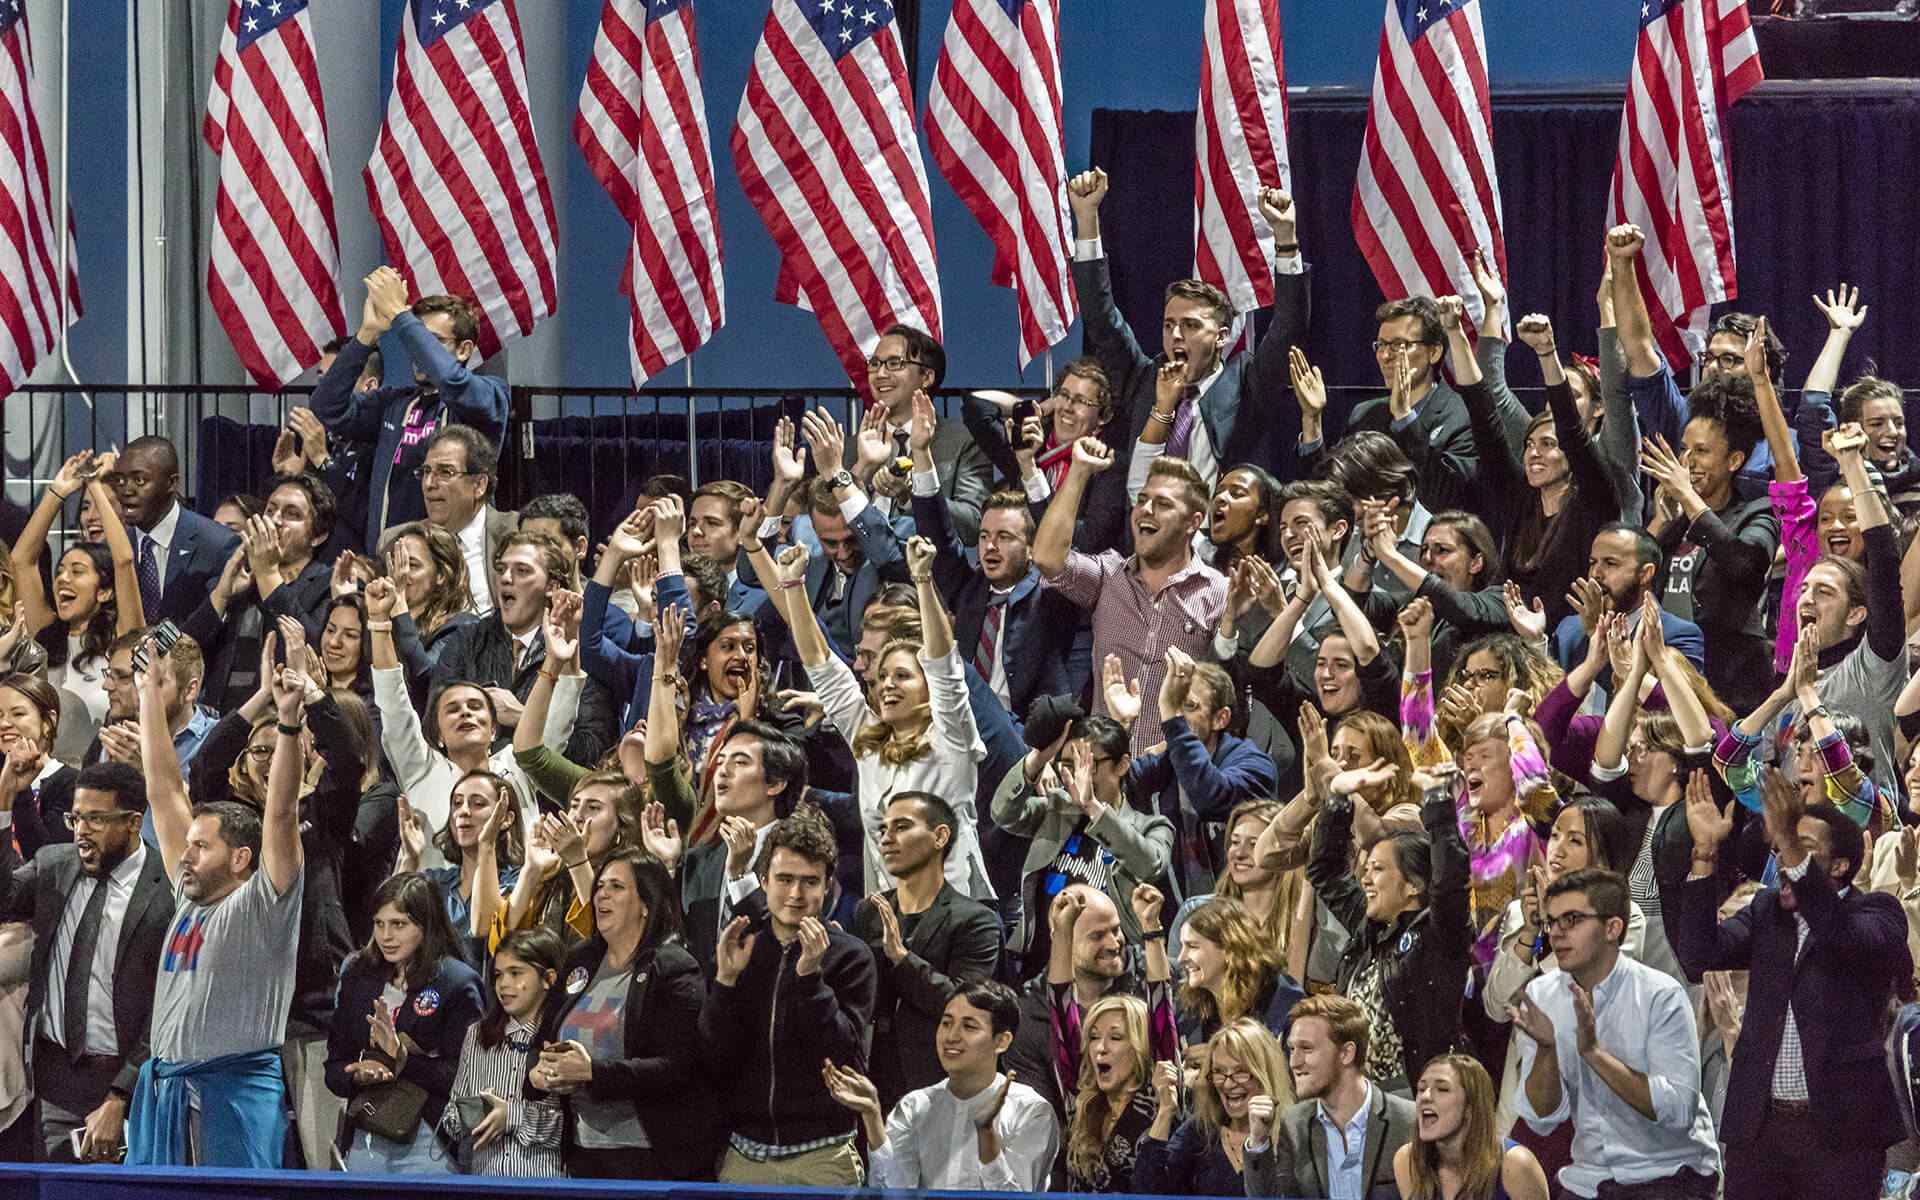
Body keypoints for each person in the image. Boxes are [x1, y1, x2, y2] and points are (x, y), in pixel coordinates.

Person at [1678, 770, 1912, 1200]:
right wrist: (1705, 855)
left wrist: (1787, 839)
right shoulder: (1767, 910)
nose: (1784, 861)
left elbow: (1839, 935)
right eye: (1781, 848)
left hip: (1840, 1133)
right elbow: (1698, 958)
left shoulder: (1877, 913)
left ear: (1840, 866)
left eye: (1801, 849)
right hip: (1759, 1130)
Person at [126, 630, 306, 1167]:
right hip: (165, 1093)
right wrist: (148, 699)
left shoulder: (262, 905)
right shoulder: (189, 899)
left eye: (200, 847)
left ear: (240, 859)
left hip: (232, 1097)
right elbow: (162, 786)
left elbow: (281, 814)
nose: (184, 855)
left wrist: (291, 722)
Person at [754, 531, 994, 900]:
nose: (887, 686)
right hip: (887, 917)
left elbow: (945, 669)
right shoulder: (869, 744)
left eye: (902, 676)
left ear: (927, 686)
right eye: (882, 677)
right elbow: (822, 665)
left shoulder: (951, 738)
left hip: (956, 919)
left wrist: (923, 580)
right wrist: (793, 586)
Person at [1066, 169, 1303, 491]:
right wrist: (1087, 218)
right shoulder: (1143, 379)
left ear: (1221, 337)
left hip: (1218, 537)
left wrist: (1286, 240)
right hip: (1146, 535)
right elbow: (1100, 318)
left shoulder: (1248, 385)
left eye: (1191, 325)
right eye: (1169, 325)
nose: (1176, 335)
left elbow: (1288, 327)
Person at [1510, 868, 1721, 1199]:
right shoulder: (1541, 996)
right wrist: (1547, 1051)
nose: (1557, 933)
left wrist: (1595, 1054)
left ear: (1612, 928)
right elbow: (1542, 1120)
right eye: (1552, 922)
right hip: (1591, 1177)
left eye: (1572, 919)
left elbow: (1679, 1111)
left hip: (1670, 1173)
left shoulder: (1659, 994)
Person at [0, 761, 173, 1164]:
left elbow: (167, 1006)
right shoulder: (55, 865)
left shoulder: (168, 889)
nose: (81, 831)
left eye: (96, 819)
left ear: (134, 821)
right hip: (54, 1081)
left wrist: (121, 1093)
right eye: (76, 817)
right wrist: (4, 806)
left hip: (131, 1085)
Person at [700, 806, 877, 1185]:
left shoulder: (851, 955)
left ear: (828, 884)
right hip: (744, 1151)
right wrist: (726, 982)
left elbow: (845, 1056)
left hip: (824, 1153)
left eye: (809, 881)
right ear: (763, 881)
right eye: (784, 879)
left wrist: (810, 979)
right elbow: (714, 1055)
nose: (796, 894)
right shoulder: (741, 947)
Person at [532, 849, 719, 1180]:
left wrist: (592, 1073)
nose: (602, 893)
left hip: (653, 1157)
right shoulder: (581, 961)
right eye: (600, 885)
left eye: (617, 887)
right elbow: (543, 1041)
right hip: (582, 1153)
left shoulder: (674, 967)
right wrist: (540, 1075)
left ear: (646, 904)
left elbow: (680, 1067)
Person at [1033, 439, 1226, 756]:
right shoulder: (1109, 575)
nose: (1146, 510)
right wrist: (1079, 471)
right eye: (1142, 499)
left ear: (1193, 522)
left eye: (1163, 504)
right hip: (1102, 771)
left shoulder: (1218, 592)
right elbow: (1047, 557)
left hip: (1172, 780)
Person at [910, 391, 1081, 716]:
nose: (989, 546)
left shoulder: (1054, 593)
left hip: (1029, 735)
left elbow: (1053, 538)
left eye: (1004, 537)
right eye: (985, 536)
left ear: (1032, 548)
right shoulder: (969, 589)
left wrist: (1028, 465)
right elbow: (939, 535)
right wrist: (921, 454)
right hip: (969, 727)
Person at [310, 270, 509, 548]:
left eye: (432, 341)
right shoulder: (395, 403)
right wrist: (368, 334)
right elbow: (326, 407)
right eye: (415, 341)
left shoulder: (489, 395)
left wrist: (400, 315)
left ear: (464, 350)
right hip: (391, 564)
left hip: (456, 566)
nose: (418, 350)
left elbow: (452, 381)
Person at [1306, 762, 1473, 1095]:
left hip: (1418, 1094)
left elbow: (1449, 883)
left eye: (1378, 869)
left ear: (1413, 885)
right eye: (1366, 868)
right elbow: (1326, 871)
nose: (1365, 878)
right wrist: (1339, 798)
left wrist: (1439, 803)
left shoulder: (1437, 937)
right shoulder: (1368, 929)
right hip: (1360, 1095)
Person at [824, 980, 1060, 1191]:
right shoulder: (914, 1106)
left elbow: (1016, 1198)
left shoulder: (1031, 1110)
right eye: (946, 1023)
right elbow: (894, 1193)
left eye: (969, 1027)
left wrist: (986, 1133)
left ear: (1001, 1041)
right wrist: (872, 1116)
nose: (951, 1036)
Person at [324, 872, 483, 1172]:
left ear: (427, 925)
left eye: (399, 924)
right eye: (379, 923)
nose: (386, 936)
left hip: (430, 1141)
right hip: (364, 1136)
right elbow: (334, 1067)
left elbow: (468, 1078)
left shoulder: (457, 982)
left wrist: (402, 1060)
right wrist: (356, 1075)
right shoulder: (358, 974)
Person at [991, 715, 1176, 974]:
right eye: (1068, 764)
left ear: (1122, 765)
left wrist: (1093, 807)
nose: (1078, 775)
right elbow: (1003, 813)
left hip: (1109, 968)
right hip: (1042, 962)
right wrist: (1037, 760)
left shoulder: (1151, 826)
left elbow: (1150, 865)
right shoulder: (1057, 811)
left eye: (1089, 764)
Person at [852, 791, 1002, 1110]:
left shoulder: (977, 921)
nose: (887, 838)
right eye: (883, 830)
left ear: (940, 836)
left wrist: (901, 958)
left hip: (942, 1087)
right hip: (874, 1083)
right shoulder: (869, 913)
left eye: (902, 827)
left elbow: (966, 1007)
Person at [1123, 650, 1279, 899]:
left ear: (1220, 718)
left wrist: (1173, 719)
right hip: (1176, 919)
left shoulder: (1255, 766)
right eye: (1176, 703)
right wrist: (1120, 727)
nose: (1178, 714)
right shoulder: (1165, 763)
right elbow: (1110, 791)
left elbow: (1212, 796)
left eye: (1190, 706)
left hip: (1240, 916)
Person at [182, 472, 339, 711]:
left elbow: (312, 651)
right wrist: (221, 595)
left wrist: (268, 574)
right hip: (218, 722)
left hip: (279, 724)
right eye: (271, 510)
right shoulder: (240, 577)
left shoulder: (327, 584)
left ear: (317, 536)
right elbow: (183, 651)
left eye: (292, 514)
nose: (275, 520)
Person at [1243, 993, 1417, 1200]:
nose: (1294, 1062)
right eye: (1291, 1049)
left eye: (1306, 1048)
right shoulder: (1293, 1124)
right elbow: (1274, 1198)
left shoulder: (1409, 1121)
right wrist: (1258, 1141)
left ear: (1346, 1053)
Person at [439, 927, 566, 1177]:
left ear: (548, 979)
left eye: (515, 973)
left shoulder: (563, 1034)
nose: (504, 984)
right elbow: (452, 1113)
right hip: (486, 1179)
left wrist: (512, 1116)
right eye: (498, 975)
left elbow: (570, 1127)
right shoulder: (478, 1035)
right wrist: (472, 1114)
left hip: (545, 1182)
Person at [1134, 1017, 1288, 1195]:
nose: (1228, 1084)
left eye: (1241, 1072)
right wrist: (1165, 1111)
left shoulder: (1294, 1133)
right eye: (1219, 1072)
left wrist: (1260, 1141)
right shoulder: (1201, 1131)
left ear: (1265, 1074)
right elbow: (1146, 1190)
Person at [103, 437, 243, 625]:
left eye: (139, 480)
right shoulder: (116, 549)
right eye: (119, 480)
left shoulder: (217, 545)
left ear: (171, 483)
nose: (127, 490)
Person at [1393, 1053, 1550, 1200]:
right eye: (1421, 1089)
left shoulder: (1516, 1165)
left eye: (1442, 1089)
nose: (1425, 1097)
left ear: (1471, 1106)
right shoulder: (1408, 1160)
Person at [379, 521, 480, 703]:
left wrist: (399, 602)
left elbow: (429, 682)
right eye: (395, 563)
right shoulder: (383, 619)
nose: (398, 573)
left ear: (441, 574)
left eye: (412, 565)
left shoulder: (463, 627)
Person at [0, 675, 77, 859]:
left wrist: (20, 792)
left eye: (18, 714)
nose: (4, 724)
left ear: (48, 721)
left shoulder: (71, 784)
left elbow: (48, 865)